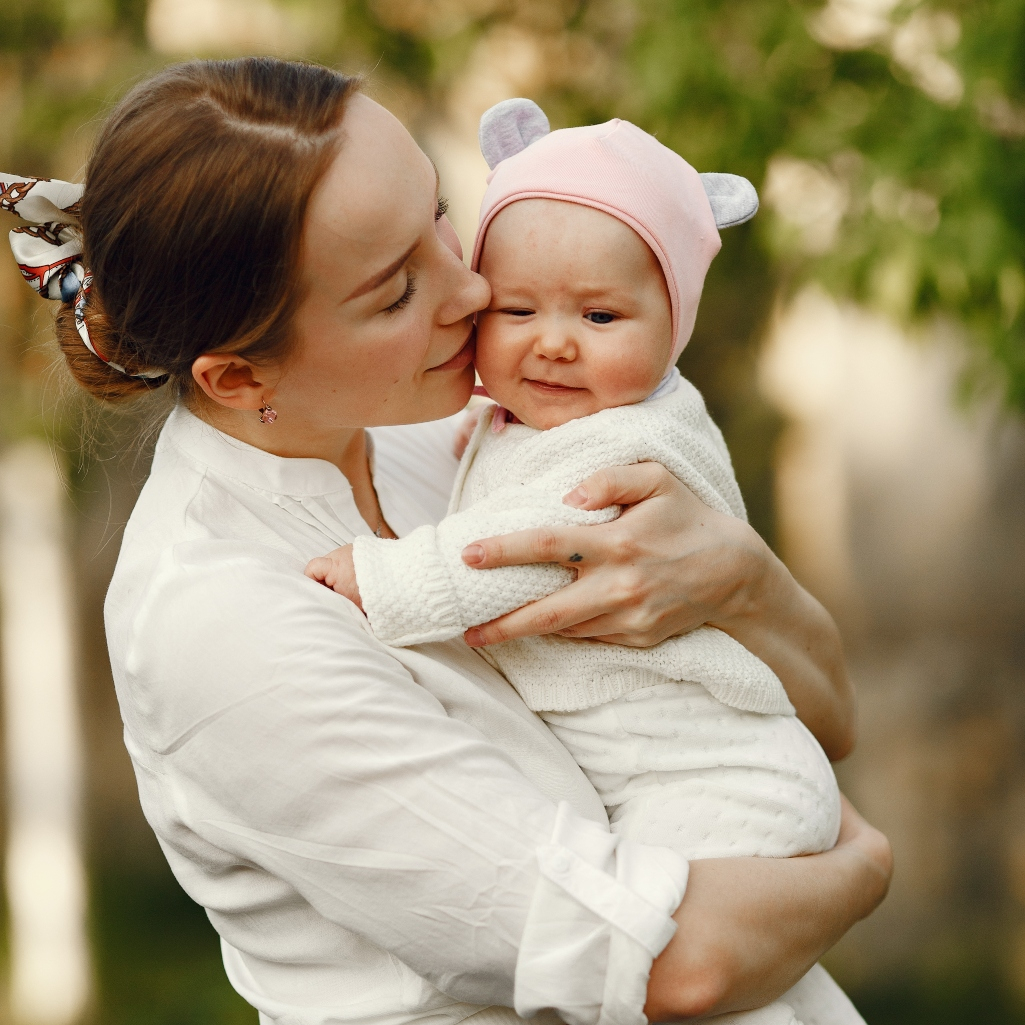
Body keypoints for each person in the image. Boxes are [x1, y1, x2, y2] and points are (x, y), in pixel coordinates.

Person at [0, 58, 890, 1025]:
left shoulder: (474, 432)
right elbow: (668, 968)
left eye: (438, 211)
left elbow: (830, 717)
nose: (472, 288)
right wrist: (862, 866)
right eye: (394, 293)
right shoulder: (222, 621)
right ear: (237, 377)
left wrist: (740, 579)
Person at [308, 100, 861, 1025]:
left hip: (708, 780)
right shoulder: (521, 418)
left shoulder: (623, 439)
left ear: (673, 325)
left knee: (686, 974)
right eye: (517, 308)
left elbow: (516, 550)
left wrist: (384, 578)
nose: (553, 340)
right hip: (668, 774)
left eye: (600, 314)